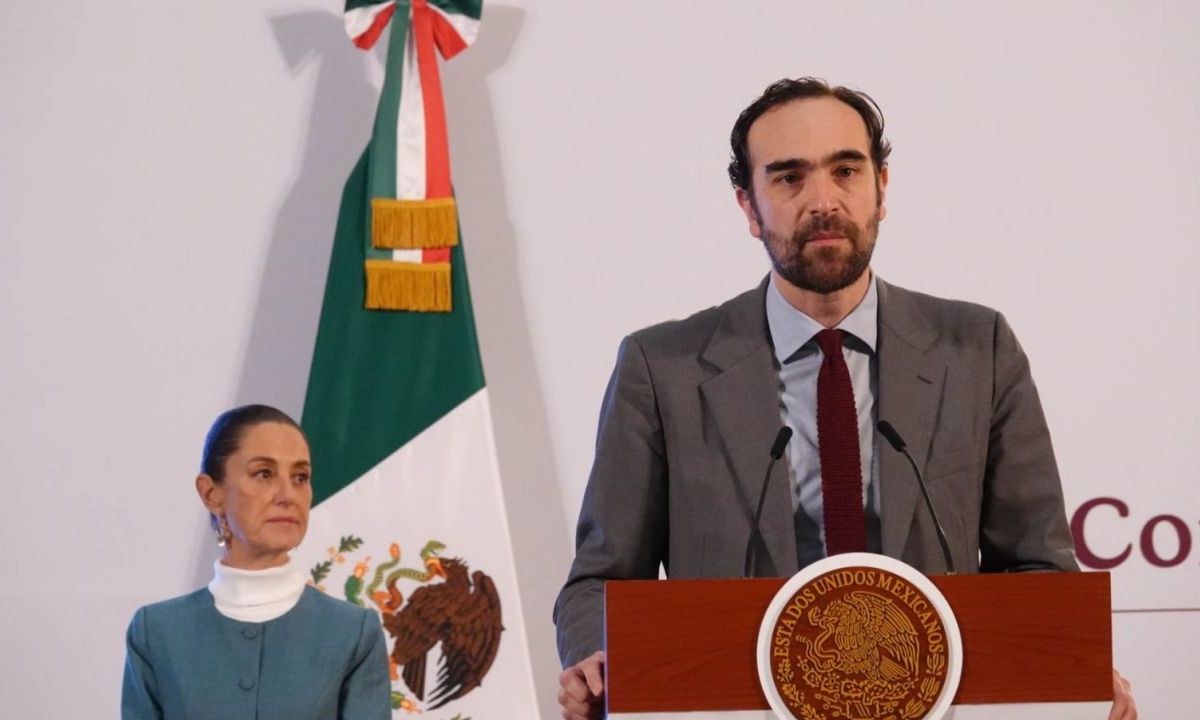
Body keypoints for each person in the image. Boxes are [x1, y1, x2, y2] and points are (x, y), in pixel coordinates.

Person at [553, 78, 1136, 720]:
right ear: (749, 207)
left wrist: (1071, 669)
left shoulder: (978, 348)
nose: (823, 201)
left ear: (881, 188)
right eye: (789, 178)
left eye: (846, 170)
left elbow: (1039, 570)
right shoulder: (661, 368)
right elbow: (599, 583)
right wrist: (598, 658)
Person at [121, 404, 391, 720]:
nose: (288, 495)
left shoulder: (353, 634)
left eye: (300, 477)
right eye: (263, 473)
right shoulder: (157, 633)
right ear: (211, 493)